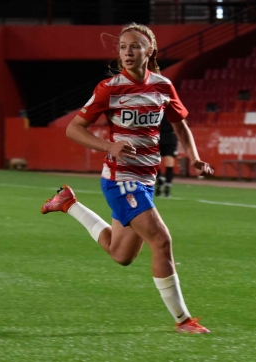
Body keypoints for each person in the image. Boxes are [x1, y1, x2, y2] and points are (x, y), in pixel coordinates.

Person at [40, 23, 213, 334]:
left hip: (145, 179)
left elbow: (180, 125)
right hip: (121, 178)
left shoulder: (162, 86)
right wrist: (110, 146)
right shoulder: (109, 88)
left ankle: (68, 204)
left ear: (150, 51)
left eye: (134, 46)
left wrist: (195, 156)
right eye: (122, 47)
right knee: (161, 241)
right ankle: (183, 321)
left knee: (121, 255)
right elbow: (73, 128)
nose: (127, 52)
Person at [155, 116, 177, 197]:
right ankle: (160, 179)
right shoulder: (156, 107)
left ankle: (167, 187)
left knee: (169, 164)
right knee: (154, 163)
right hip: (158, 137)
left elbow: (182, 122)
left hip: (170, 138)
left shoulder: (173, 108)